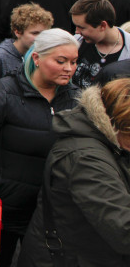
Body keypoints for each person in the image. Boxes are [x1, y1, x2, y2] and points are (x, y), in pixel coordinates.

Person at [0, 29, 80, 267]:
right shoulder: (2, 94)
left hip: (48, 211)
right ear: (37, 58)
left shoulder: (75, 100)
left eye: (74, 61)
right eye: (61, 61)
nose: (69, 68)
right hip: (2, 209)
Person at [18, 78, 130, 266]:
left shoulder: (103, 139)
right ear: (118, 127)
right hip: (66, 258)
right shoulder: (85, 160)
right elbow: (123, 230)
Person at [71, 0, 130, 88]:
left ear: (102, 25)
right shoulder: (76, 42)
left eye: (82, 27)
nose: (77, 31)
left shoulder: (127, 50)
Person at [0, 3, 54, 79]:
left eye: (43, 33)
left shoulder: (44, 55)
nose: (40, 38)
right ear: (17, 32)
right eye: (35, 33)